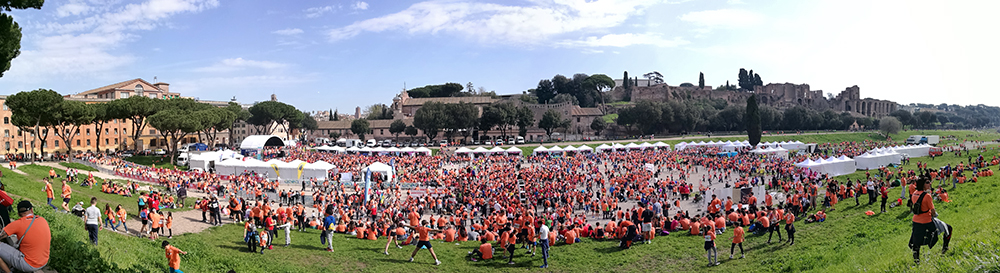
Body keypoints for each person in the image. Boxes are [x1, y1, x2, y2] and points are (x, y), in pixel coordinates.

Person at [0, 201, 51, 273]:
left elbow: (1, 235)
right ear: (31, 210)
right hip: (44, 261)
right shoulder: (42, 220)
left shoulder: (18, 223)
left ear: (18, 214)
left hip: (28, 264)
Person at [909, 176, 936, 265]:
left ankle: (916, 260)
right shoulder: (927, 196)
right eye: (927, 182)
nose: (930, 184)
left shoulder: (914, 193)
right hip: (926, 220)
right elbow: (932, 211)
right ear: (923, 185)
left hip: (916, 220)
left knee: (916, 243)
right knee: (935, 233)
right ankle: (927, 243)